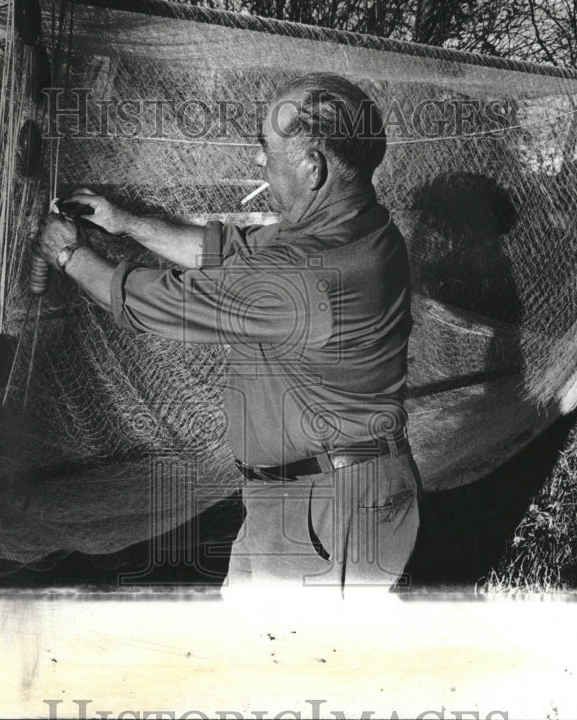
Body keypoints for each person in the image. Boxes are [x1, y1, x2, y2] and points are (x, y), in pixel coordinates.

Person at [36, 73, 420, 592]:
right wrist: (126, 222)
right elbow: (226, 251)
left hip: (329, 509)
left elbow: (160, 301)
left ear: (313, 167)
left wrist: (67, 254)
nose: (259, 161)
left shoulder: (307, 275)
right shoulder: (356, 226)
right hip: (306, 496)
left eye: (266, 147)